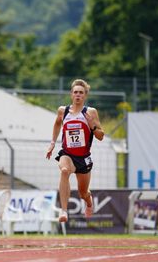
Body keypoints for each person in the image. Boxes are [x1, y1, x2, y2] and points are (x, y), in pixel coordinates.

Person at [46, 79, 105, 223]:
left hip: (83, 158)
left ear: (85, 96)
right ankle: (64, 211)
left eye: (81, 93)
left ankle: (89, 202)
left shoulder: (90, 112)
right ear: (71, 94)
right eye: (75, 92)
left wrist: (92, 126)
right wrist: (52, 143)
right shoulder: (63, 111)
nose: (78, 95)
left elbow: (101, 136)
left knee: (83, 192)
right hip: (67, 154)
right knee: (64, 170)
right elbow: (57, 124)